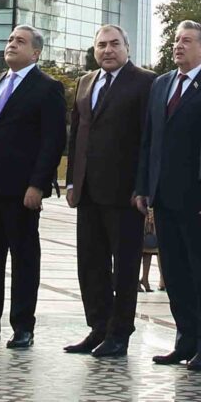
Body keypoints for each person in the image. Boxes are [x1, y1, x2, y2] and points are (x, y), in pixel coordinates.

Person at [0, 26, 67, 350]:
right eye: (9, 40)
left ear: (35, 53)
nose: (11, 45)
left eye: (20, 41)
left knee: (23, 257)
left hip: (21, 190)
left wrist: (38, 184)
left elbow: (53, 140)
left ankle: (22, 326)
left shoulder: (48, 87)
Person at [64, 25, 153, 359]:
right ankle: (98, 326)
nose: (108, 50)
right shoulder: (87, 82)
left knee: (125, 267)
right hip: (88, 191)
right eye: (101, 45)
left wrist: (142, 186)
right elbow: (77, 134)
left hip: (124, 193)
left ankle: (119, 332)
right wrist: (72, 181)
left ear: (127, 46)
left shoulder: (145, 82)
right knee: (90, 263)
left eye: (115, 44)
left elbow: (148, 137)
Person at [141, 21, 201, 369]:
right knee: (173, 273)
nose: (178, 46)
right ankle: (184, 339)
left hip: (198, 197)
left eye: (187, 41)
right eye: (176, 40)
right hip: (162, 195)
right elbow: (149, 139)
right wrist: (143, 188)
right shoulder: (161, 84)